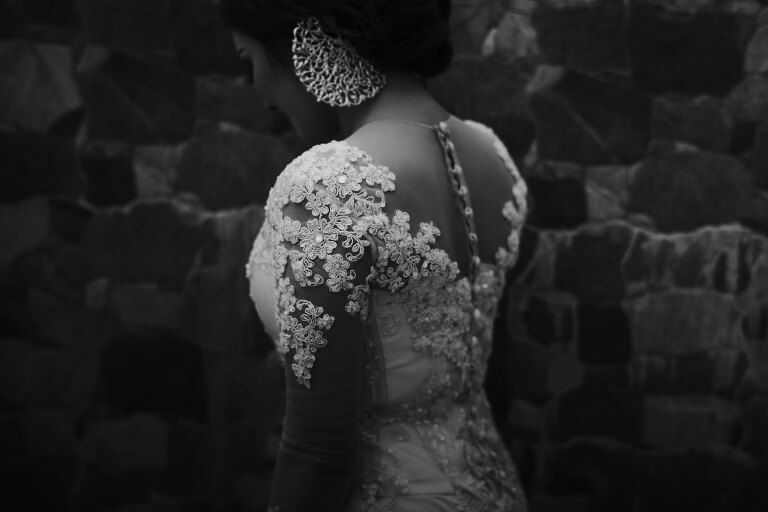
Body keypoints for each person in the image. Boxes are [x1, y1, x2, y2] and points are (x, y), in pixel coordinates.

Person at [222, 1, 529, 510]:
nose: (256, 86)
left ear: (307, 42)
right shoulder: (493, 154)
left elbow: (318, 453)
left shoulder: (331, 184)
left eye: (246, 60)